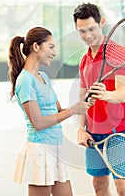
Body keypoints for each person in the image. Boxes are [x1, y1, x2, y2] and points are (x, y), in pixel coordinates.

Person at [7, 26, 89, 196]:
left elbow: (58, 111)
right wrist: (74, 110)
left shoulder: (43, 77)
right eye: (51, 47)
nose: (54, 52)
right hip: (40, 150)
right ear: (36, 47)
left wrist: (82, 104)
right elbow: (39, 123)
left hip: (56, 147)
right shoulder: (25, 81)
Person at [73, 3, 125, 196]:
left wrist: (105, 95)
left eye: (91, 29)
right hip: (93, 131)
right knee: (98, 184)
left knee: (122, 186)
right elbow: (82, 98)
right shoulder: (85, 60)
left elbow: (122, 93)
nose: (88, 35)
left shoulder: (117, 53)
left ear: (101, 22)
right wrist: (80, 129)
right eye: (82, 31)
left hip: (119, 130)